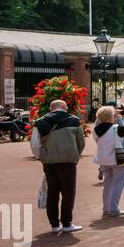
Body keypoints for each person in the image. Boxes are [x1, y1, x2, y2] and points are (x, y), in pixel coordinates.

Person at [34, 99, 86, 234]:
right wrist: (75, 155)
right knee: (68, 192)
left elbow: (35, 144)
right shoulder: (74, 120)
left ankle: (54, 224)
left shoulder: (40, 122)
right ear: (66, 108)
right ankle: (67, 223)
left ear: (51, 109)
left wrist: (42, 157)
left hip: (49, 162)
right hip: (68, 161)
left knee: (52, 192)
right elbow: (81, 143)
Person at [93, 105, 124, 218]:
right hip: (118, 160)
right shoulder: (117, 129)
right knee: (117, 184)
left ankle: (106, 209)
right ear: (112, 117)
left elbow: (99, 120)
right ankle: (114, 208)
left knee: (107, 184)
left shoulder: (96, 129)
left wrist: (108, 114)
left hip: (103, 160)